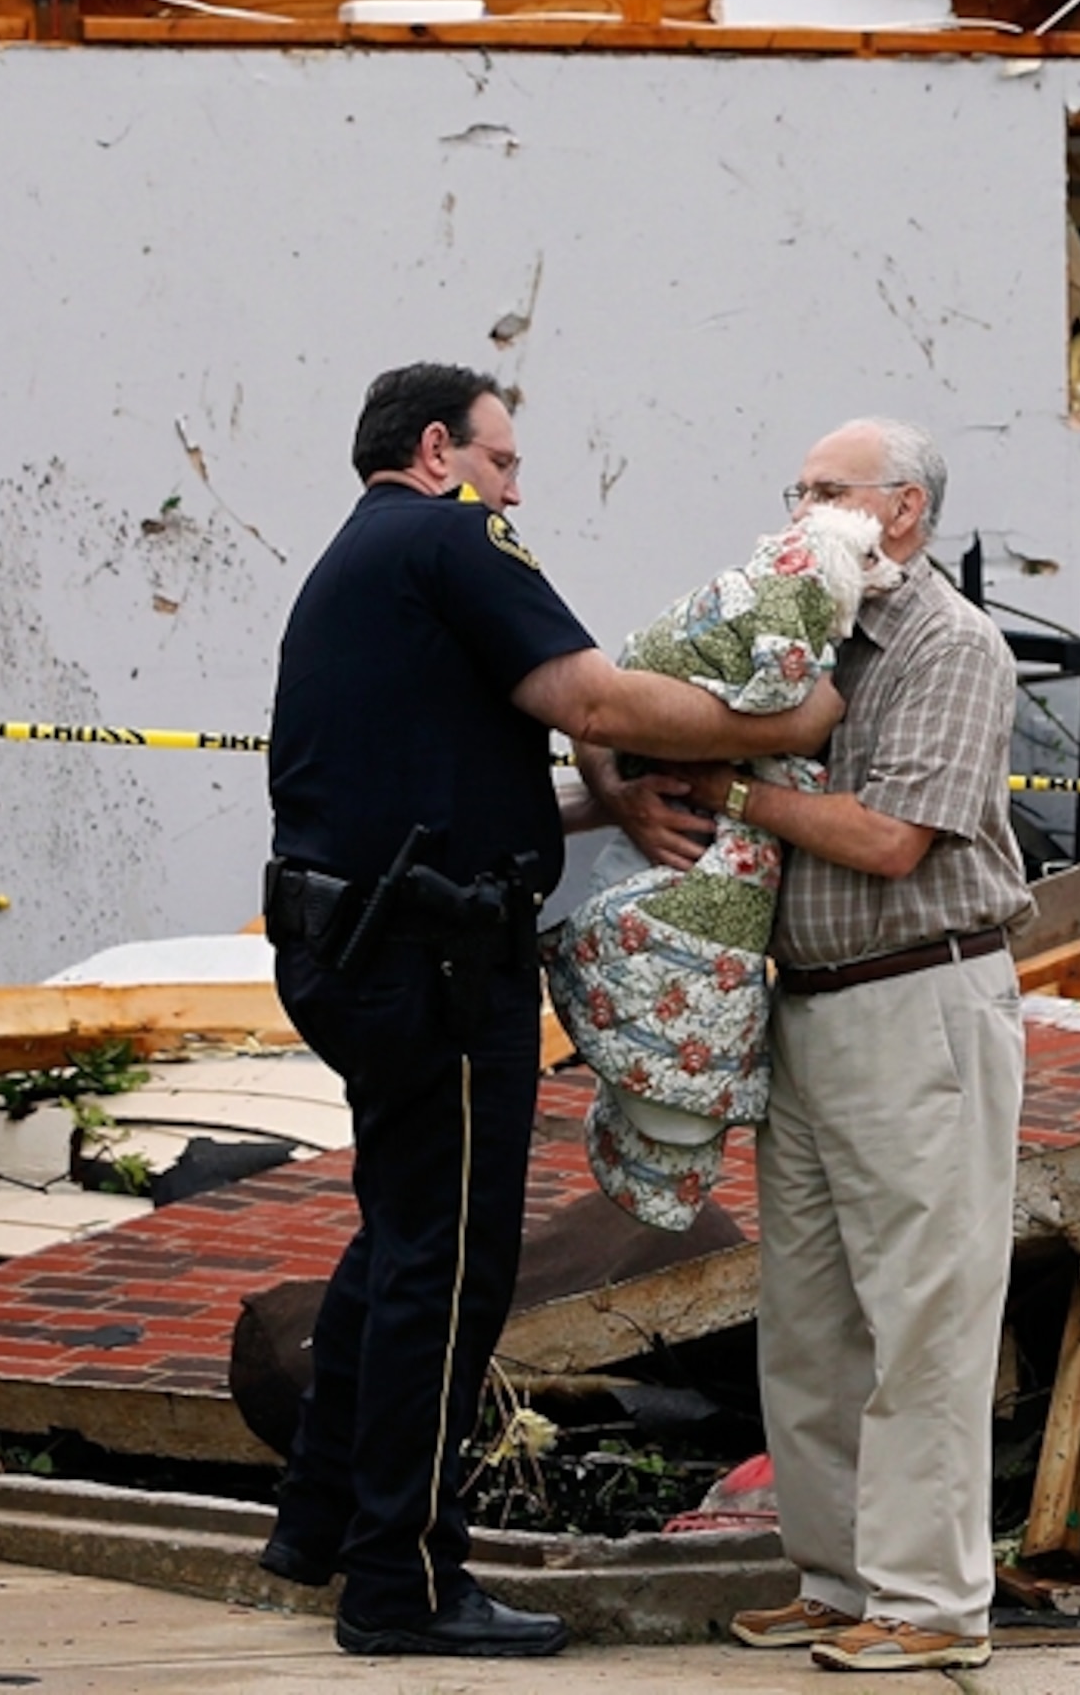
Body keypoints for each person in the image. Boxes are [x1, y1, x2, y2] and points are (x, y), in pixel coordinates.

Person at [260, 363, 841, 1660]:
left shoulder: (364, 564)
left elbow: (464, 774)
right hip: (434, 960)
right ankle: (403, 1582)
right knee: (452, 1270)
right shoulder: (452, 534)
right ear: (435, 450)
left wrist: (607, 805)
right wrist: (780, 718)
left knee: (406, 1232)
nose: (518, 488)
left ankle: (316, 1521)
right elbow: (591, 695)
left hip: (356, 942)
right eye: (504, 460)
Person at [622, 418, 1029, 1674]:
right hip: (809, 1004)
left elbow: (888, 838)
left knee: (924, 1311)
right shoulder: (804, 641)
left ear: (900, 511)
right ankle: (838, 1575)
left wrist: (730, 786)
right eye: (793, 489)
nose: (798, 512)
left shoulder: (950, 646)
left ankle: (931, 1600)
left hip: (920, 999)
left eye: (825, 490)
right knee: (807, 1318)